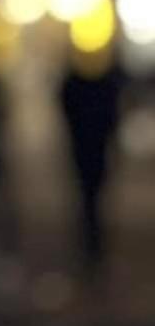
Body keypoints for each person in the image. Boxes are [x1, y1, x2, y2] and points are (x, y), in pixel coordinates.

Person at [59, 63, 122, 278]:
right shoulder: (98, 86)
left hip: (89, 148)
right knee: (90, 194)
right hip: (90, 149)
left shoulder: (87, 86)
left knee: (90, 194)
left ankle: (92, 236)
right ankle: (92, 236)